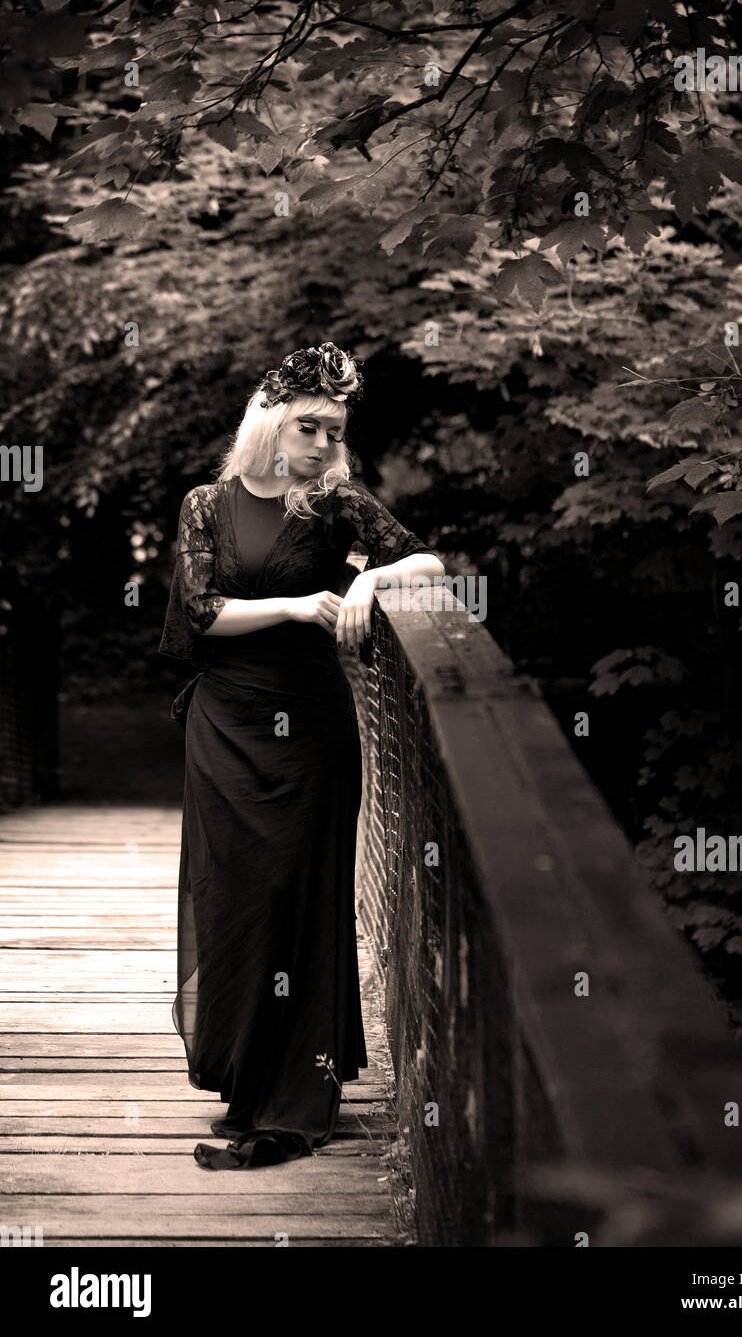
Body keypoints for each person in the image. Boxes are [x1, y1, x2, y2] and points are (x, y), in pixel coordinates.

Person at [158, 343, 444, 1168]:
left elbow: (424, 556)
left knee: (296, 889)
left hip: (311, 728)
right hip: (224, 723)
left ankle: (292, 1096)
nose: (321, 443)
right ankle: (246, 1085)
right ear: (270, 421)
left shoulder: (335, 502)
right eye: (308, 426)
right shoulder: (206, 505)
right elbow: (199, 614)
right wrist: (295, 604)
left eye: (334, 430)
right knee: (233, 895)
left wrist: (367, 585)